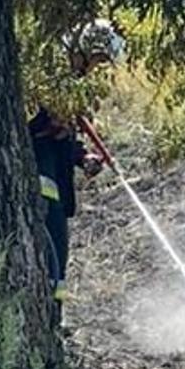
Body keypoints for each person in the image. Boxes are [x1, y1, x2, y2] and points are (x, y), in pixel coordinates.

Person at [31, 19, 126, 304]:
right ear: (82, 50)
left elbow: (68, 140)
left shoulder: (73, 90)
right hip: (41, 177)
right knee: (51, 245)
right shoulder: (44, 79)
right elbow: (28, 125)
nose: (95, 69)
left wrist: (84, 158)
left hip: (57, 178)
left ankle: (53, 319)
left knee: (59, 250)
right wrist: (49, 122)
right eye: (96, 60)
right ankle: (48, 310)